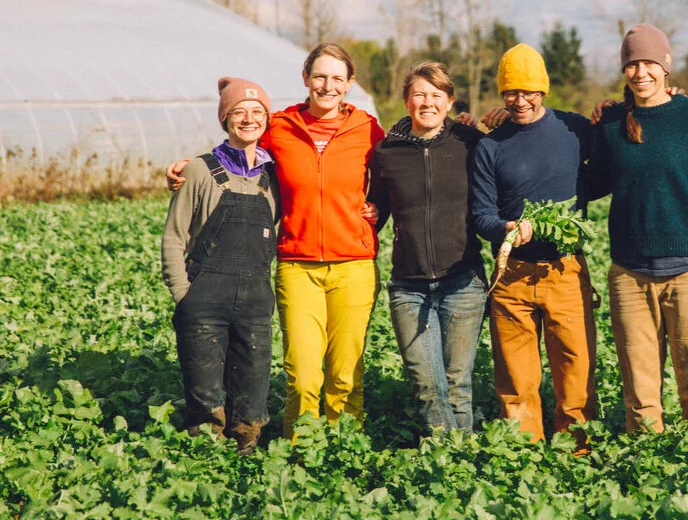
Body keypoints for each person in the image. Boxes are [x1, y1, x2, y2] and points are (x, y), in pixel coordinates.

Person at [167, 43, 384, 438]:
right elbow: (236, 151)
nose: (328, 85)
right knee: (302, 376)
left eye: (338, 78)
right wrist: (189, 167)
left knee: (345, 374)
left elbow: (400, 171)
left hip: (354, 265)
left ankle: (343, 449)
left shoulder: (368, 129)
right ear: (306, 79)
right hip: (297, 266)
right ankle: (301, 451)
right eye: (320, 76)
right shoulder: (280, 127)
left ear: (350, 83)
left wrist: (379, 209)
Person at [588, 24, 688, 431]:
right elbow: (590, 183)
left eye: (648, 62)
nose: (640, 72)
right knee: (640, 390)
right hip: (630, 274)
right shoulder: (611, 123)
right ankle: (646, 466)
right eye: (631, 64)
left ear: (666, 65)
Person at [470, 43, 596, 449]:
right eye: (511, 92)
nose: (519, 101)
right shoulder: (491, 145)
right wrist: (507, 228)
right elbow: (481, 215)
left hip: (566, 270)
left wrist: (615, 109)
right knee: (516, 378)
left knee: (575, 369)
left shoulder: (574, 130)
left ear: (543, 90)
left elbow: (612, 162)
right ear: (501, 94)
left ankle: (576, 448)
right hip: (512, 277)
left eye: (528, 91)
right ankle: (523, 455)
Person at [363, 61, 487, 436]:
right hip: (409, 285)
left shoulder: (471, 144)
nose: (427, 102)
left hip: (462, 281)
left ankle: (458, 463)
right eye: (419, 94)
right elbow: (379, 205)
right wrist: (373, 210)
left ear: (450, 102)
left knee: (457, 383)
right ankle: (451, 456)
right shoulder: (386, 152)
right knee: (425, 383)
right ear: (406, 100)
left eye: (436, 95)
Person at [161, 77, 280, 454]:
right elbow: (174, 237)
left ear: (267, 119)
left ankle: (245, 451)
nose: (249, 119)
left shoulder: (274, 177)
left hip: (255, 299)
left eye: (257, 111)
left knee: (253, 384)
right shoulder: (199, 170)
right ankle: (206, 455)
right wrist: (184, 295)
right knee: (204, 388)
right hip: (204, 298)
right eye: (239, 112)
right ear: (225, 119)